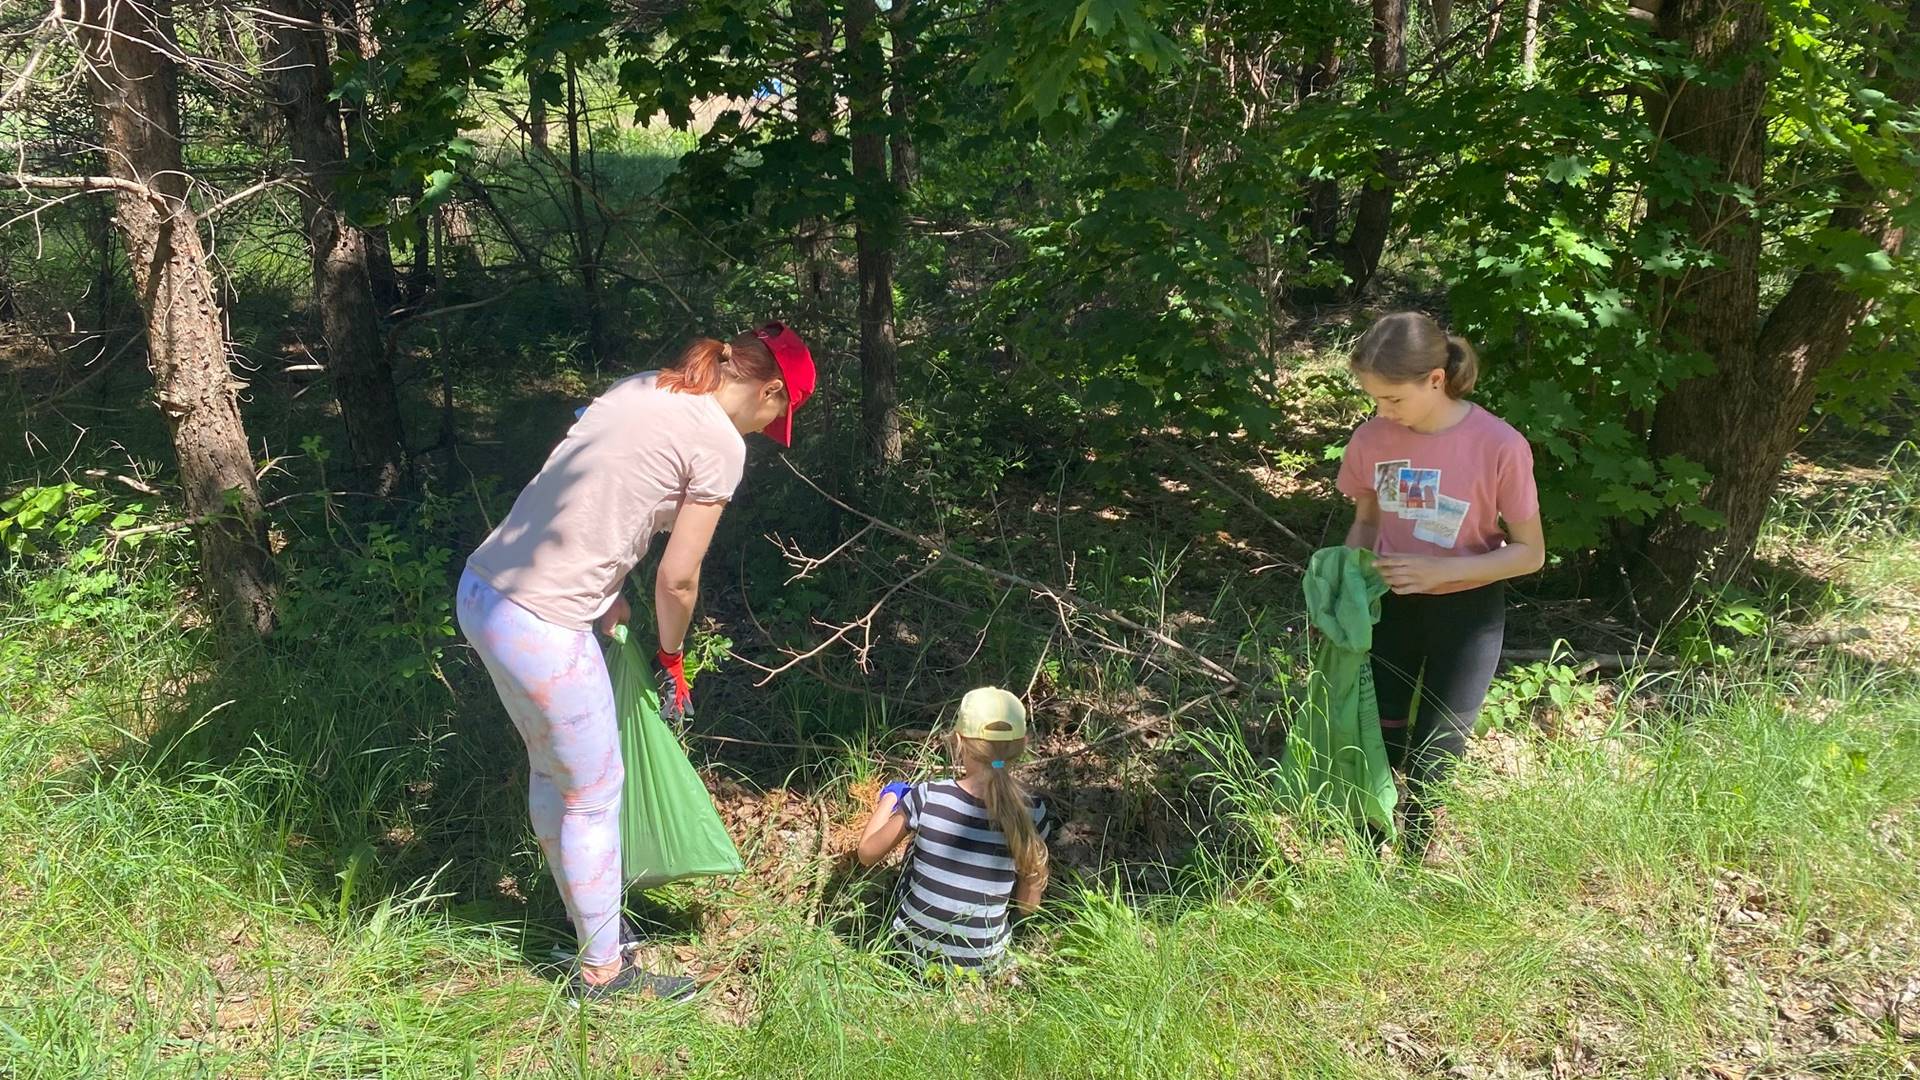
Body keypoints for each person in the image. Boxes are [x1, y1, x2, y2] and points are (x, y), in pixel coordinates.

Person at [456, 323, 815, 998]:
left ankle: (590, 926)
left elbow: (594, 493)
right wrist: (671, 654)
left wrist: (606, 590)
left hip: (484, 593)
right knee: (595, 794)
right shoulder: (720, 443)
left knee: (556, 772)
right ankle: (604, 974)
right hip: (543, 621)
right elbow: (678, 579)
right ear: (771, 390)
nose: (765, 430)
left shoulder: (644, 388)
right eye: (775, 416)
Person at [1334, 311, 1544, 860]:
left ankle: (1416, 860)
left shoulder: (1499, 445)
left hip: (1467, 614)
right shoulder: (1373, 438)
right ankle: (1364, 862)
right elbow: (1367, 522)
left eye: (1393, 399)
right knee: (1379, 734)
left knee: (1437, 748)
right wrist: (1347, 587)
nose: (1382, 411)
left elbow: (1530, 553)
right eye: (1373, 398)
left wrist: (1441, 572)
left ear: (1434, 379)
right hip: (1389, 608)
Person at [856, 687, 1052, 974]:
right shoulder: (1033, 812)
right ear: (1023, 744)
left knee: (914, 845)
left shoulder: (928, 796)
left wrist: (891, 797)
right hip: (983, 968)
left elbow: (866, 853)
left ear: (958, 741)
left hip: (909, 959)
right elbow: (1026, 907)